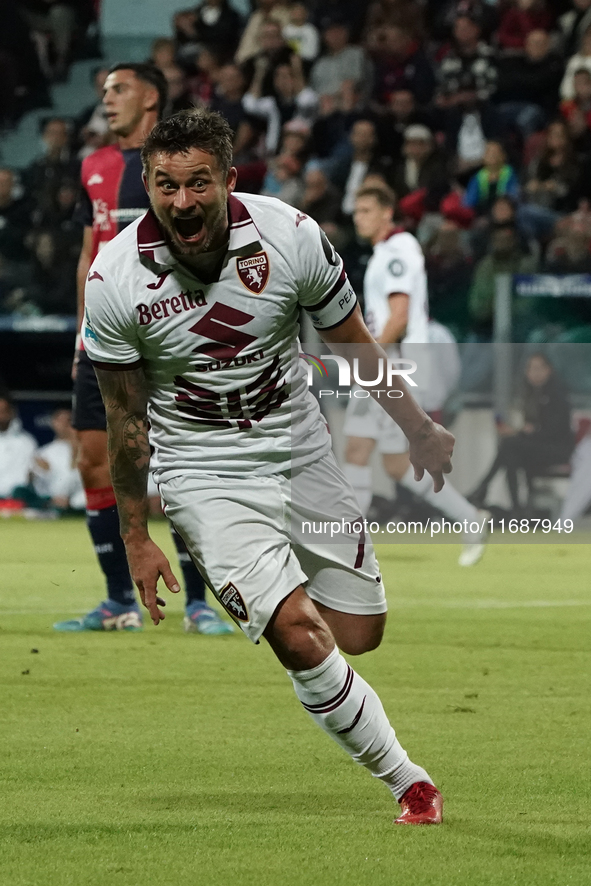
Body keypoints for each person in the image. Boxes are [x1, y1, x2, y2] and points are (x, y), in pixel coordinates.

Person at [82, 107, 453, 825]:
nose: (180, 202)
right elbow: (126, 423)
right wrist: (136, 535)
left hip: (297, 450)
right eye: (164, 185)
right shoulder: (115, 278)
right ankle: (408, 781)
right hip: (202, 472)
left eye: (196, 184)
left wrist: (418, 428)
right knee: (297, 633)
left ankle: (314, 637)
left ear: (228, 179)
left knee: (357, 634)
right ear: (149, 185)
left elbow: (353, 344)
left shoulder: (290, 238)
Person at [62, 64, 233, 635]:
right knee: (93, 459)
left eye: (119, 89)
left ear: (151, 95)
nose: (107, 100)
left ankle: (202, 603)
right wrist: (81, 331)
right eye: (103, 91)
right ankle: (118, 602)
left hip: (171, 332)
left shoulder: (176, 170)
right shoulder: (92, 166)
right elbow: (92, 252)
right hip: (106, 335)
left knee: (184, 465)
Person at [342, 186, 488, 567]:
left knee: (356, 448)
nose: (359, 217)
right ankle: (470, 519)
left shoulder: (396, 250)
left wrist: (366, 359)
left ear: (388, 213)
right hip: (391, 362)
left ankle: (351, 547)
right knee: (396, 465)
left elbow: (400, 316)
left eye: (367, 209)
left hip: (392, 364)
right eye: (356, 210)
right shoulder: (389, 251)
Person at [469, 353, 575, 512]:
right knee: (510, 454)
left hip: (557, 449)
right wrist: (523, 432)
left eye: (539, 368)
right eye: (532, 368)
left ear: (549, 370)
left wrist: (523, 433)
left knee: (510, 445)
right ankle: (516, 508)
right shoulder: (530, 394)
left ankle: (484, 488)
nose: (535, 372)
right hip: (538, 446)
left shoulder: (556, 394)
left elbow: (554, 431)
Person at [31, 407, 85, 511]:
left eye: (69, 420)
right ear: (53, 422)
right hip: (52, 504)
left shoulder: (85, 450)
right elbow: (43, 488)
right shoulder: (43, 453)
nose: (65, 424)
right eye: (60, 420)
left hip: (79, 504)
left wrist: (75, 451)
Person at [0, 394, 37, 500]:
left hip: (17, 498)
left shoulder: (26, 441)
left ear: (11, 413)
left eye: (3, 411)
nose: (1, 416)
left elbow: (31, 472)